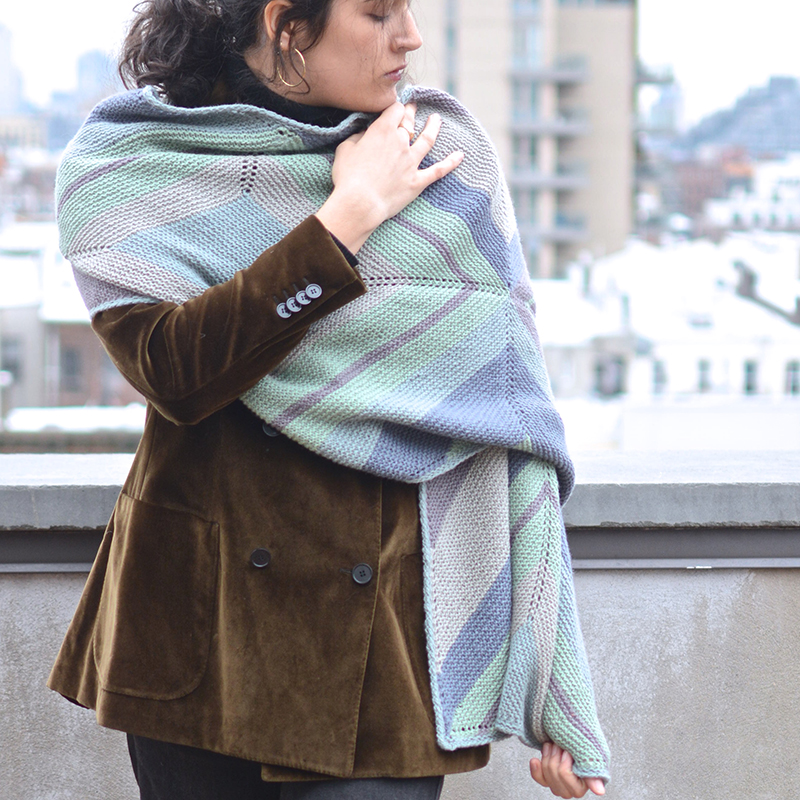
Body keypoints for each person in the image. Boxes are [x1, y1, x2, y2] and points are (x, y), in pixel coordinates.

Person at [48, 0, 610, 798]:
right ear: (286, 23)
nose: (410, 36)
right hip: (200, 634)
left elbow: (509, 421)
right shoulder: (137, 160)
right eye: (379, 13)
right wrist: (346, 217)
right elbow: (176, 374)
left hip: (380, 656)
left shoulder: (441, 156)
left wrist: (553, 685)